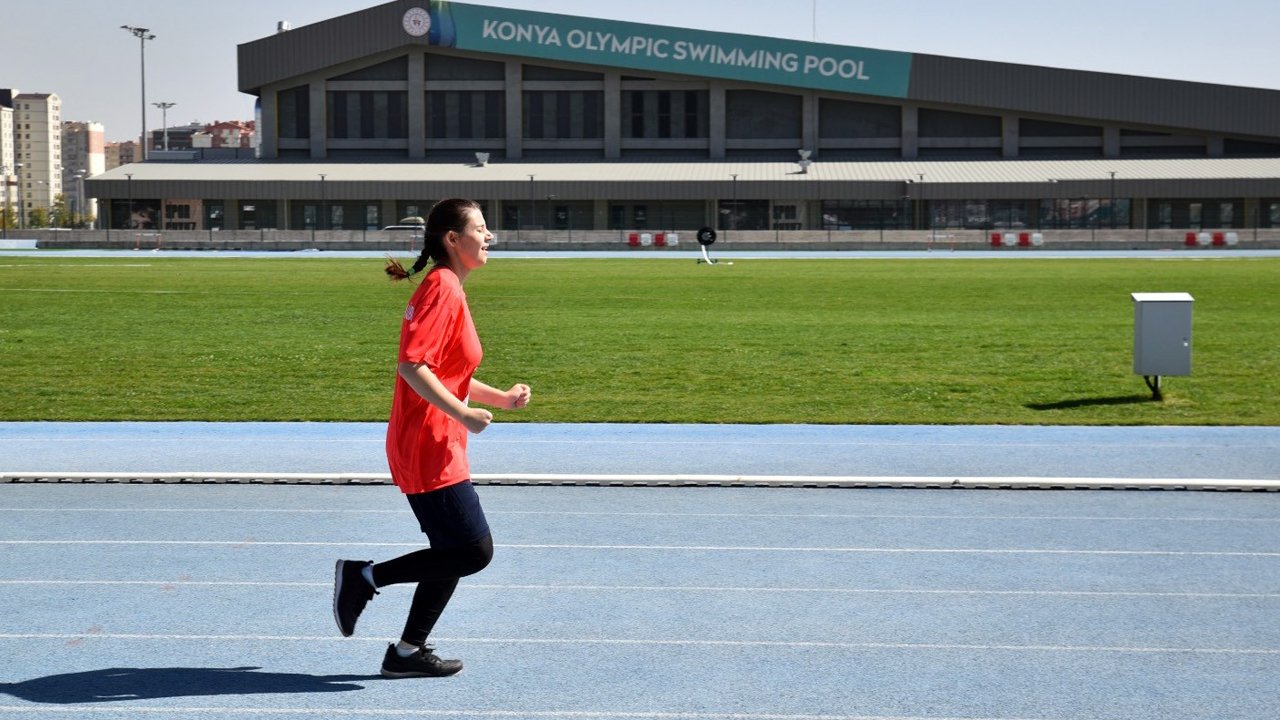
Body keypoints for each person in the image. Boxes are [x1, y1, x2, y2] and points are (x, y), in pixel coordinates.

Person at [333, 198, 531, 678]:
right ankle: (364, 578)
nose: (489, 237)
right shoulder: (442, 287)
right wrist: (463, 413)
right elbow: (412, 366)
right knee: (473, 551)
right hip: (426, 444)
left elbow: (447, 372)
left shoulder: (448, 287)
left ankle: (405, 653)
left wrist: (500, 399)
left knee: (452, 552)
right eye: (480, 229)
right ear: (451, 239)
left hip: (436, 440)